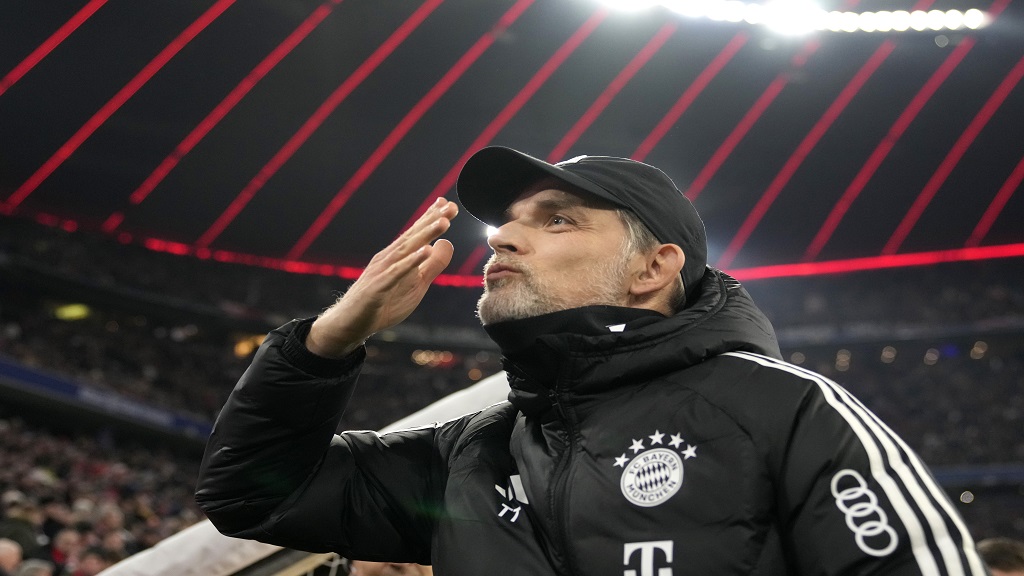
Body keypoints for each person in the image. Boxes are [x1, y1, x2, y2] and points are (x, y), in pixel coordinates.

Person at [196, 146, 987, 574]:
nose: (502, 237)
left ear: (653, 269)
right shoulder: (469, 455)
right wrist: (329, 339)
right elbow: (254, 498)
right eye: (507, 223)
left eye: (560, 221)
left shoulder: (790, 412)